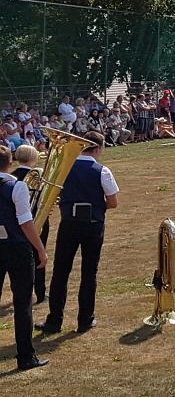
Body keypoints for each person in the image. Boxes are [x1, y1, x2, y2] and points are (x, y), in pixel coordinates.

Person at [37, 131, 119, 335]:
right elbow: (113, 202)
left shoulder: (65, 168)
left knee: (60, 272)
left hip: (69, 224)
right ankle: (85, 320)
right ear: (98, 148)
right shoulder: (102, 171)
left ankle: (54, 321)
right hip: (93, 224)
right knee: (89, 272)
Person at [0, 145, 50, 370]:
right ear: (10, 163)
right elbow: (25, 222)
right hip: (17, 248)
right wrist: (40, 248)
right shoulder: (17, 186)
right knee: (22, 303)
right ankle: (26, 356)